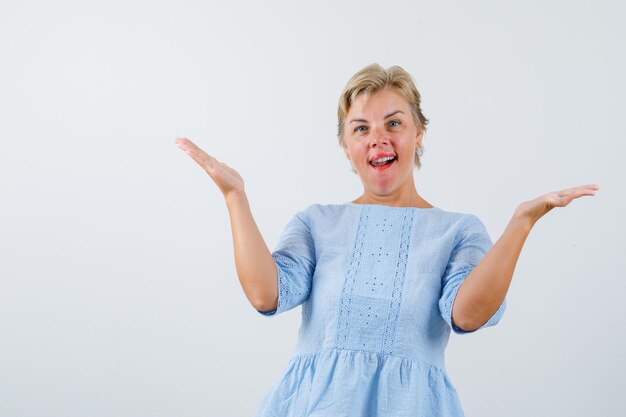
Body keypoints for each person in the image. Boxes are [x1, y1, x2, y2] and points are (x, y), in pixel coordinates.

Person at [174, 63, 600, 417]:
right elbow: (267, 294)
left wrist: (521, 223)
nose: (378, 136)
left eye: (393, 123)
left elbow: (467, 315)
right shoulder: (317, 223)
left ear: (419, 134)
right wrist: (235, 196)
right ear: (346, 146)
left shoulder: (459, 231)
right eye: (361, 128)